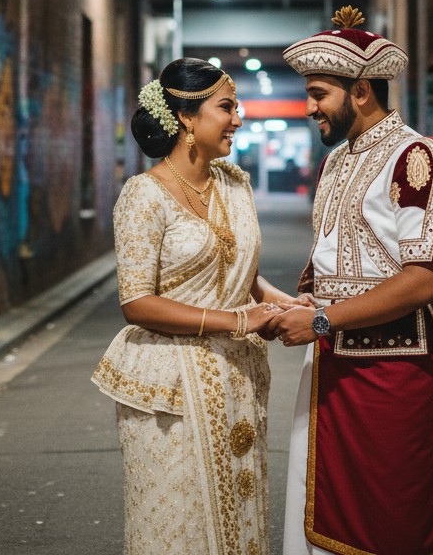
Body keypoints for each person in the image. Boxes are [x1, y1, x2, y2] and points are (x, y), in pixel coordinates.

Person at [268, 7, 433, 555]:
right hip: (331, 359)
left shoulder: (418, 157)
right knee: (320, 502)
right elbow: (335, 259)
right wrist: (307, 301)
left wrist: (320, 318)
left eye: (318, 94)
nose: (308, 108)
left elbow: (425, 282)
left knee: (391, 519)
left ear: (360, 91)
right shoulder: (336, 163)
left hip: (395, 368)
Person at [91, 58, 302, 555]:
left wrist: (275, 302)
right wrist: (235, 320)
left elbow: (238, 266)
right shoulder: (143, 195)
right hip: (171, 386)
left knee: (241, 518)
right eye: (226, 107)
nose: (238, 117)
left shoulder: (233, 182)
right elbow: (137, 301)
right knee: (178, 527)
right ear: (187, 117)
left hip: (240, 378)